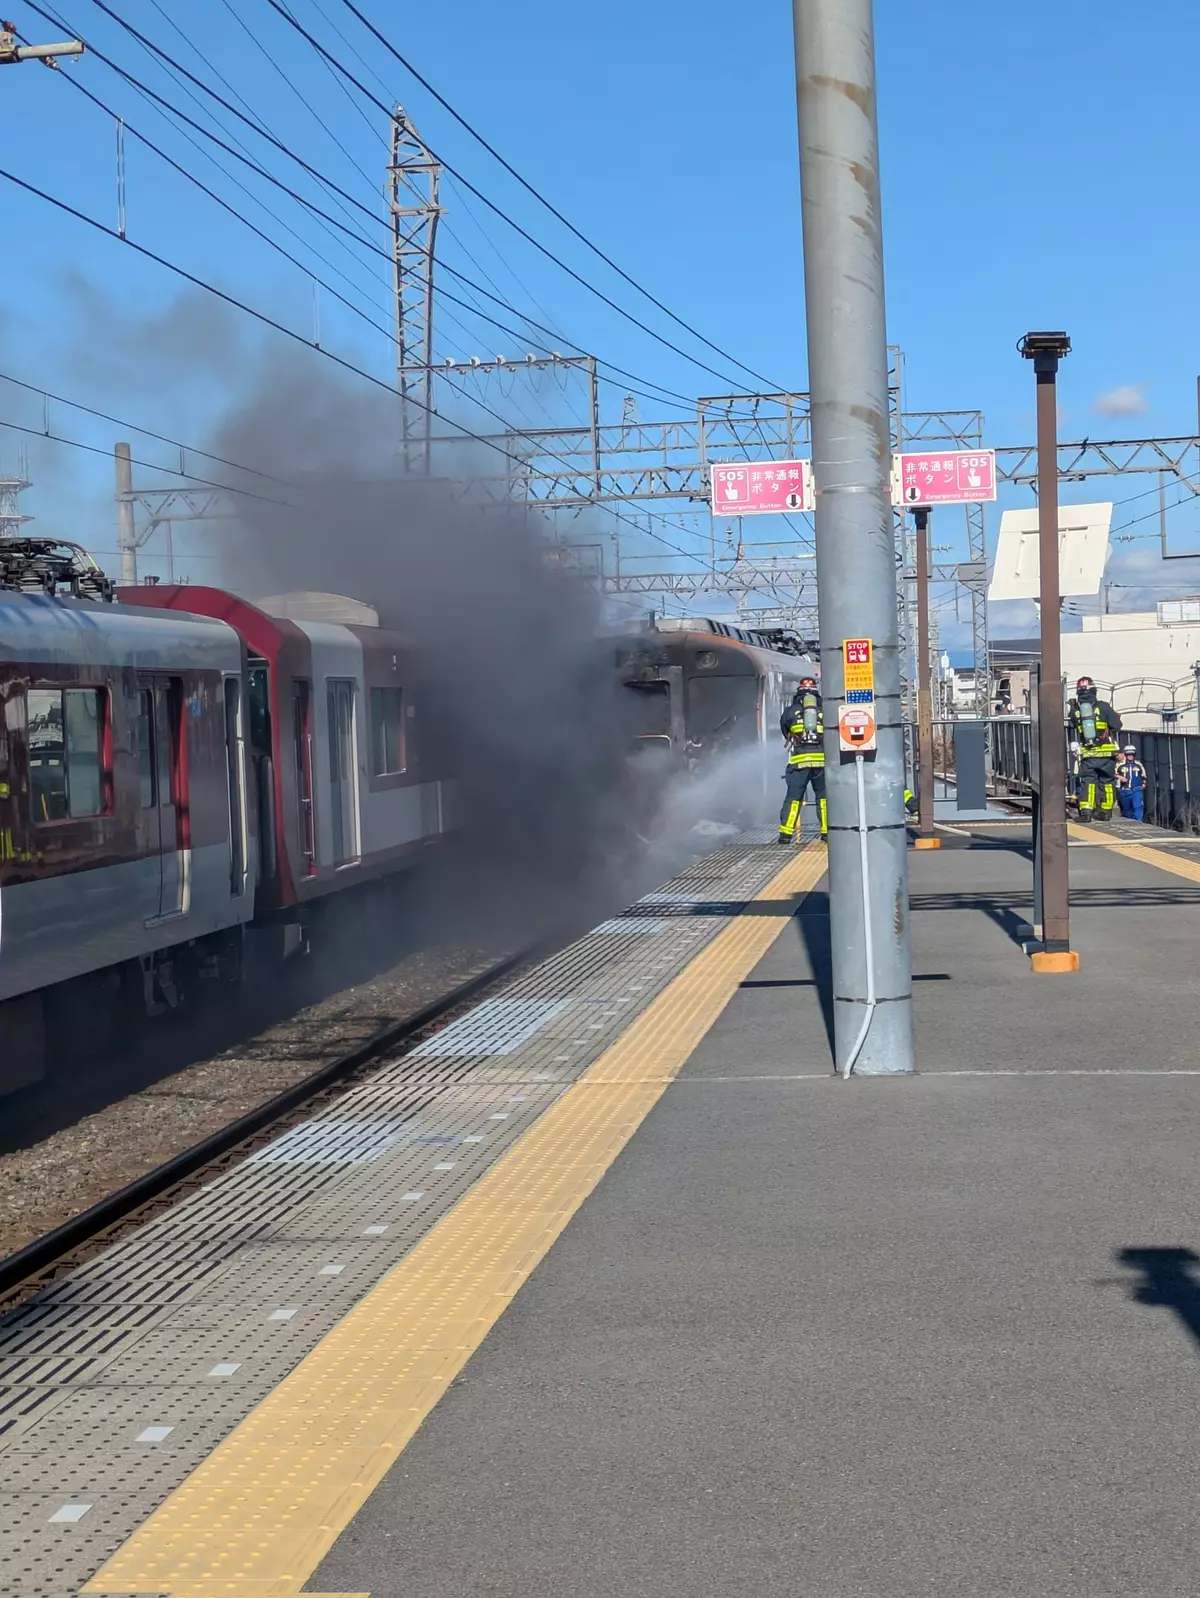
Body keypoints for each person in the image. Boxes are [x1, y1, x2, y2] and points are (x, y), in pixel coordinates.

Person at [1067, 676, 1121, 822]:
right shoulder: (1103, 707)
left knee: (1088, 782)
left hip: (1088, 754)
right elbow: (1117, 725)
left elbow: (1073, 723)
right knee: (1107, 781)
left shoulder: (1076, 710)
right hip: (1106, 753)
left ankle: (1086, 812)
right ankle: (1106, 811)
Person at [778, 677, 826, 843]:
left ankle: (786, 834)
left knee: (794, 798)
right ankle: (826, 832)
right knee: (824, 798)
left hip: (799, 762)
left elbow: (785, 731)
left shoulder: (790, 711)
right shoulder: (825, 710)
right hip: (822, 762)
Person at [1116, 743, 1147, 821]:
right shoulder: (1120, 765)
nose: (1130, 756)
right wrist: (1120, 777)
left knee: (1138, 807)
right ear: (1125, 755)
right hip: (1124, 790)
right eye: (1128, 754)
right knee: (1126, 810)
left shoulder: (1139, 765)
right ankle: (1129, 822)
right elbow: (1113, 774)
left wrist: (1143, 785)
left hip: (1136, 790)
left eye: (1132, 754)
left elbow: (1144, 776)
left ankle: (1139, 822)